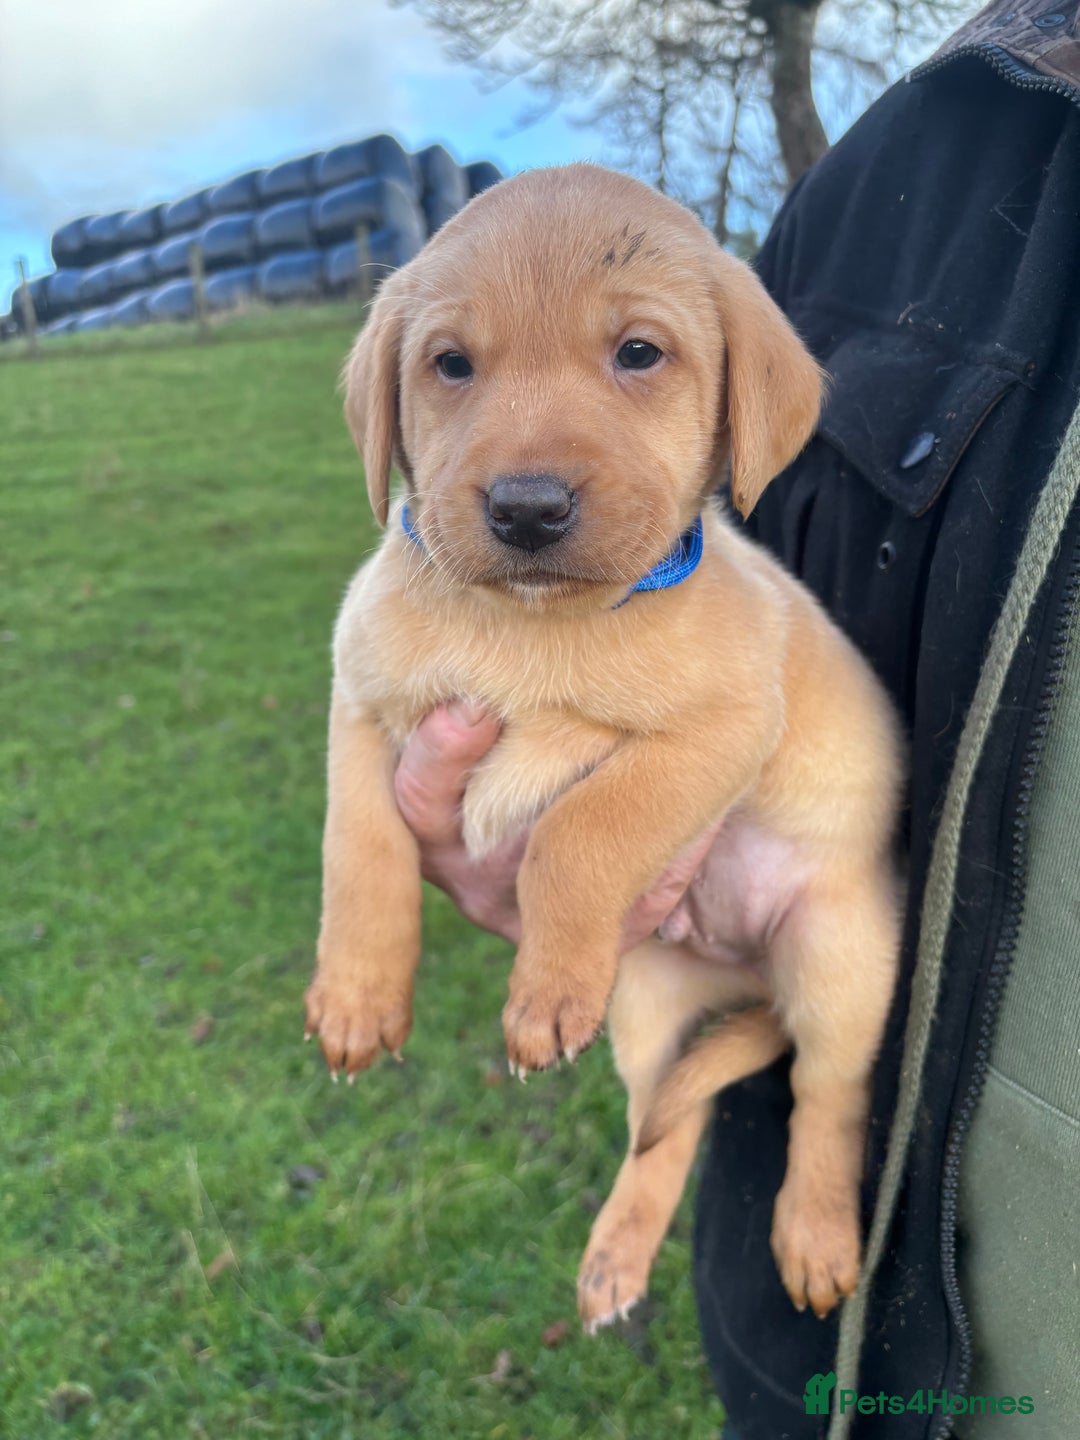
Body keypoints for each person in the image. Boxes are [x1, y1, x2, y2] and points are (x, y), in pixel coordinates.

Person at [390, 3, 1080, 1434]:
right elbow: (739, 596)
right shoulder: (935, 147)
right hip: (835, 1357)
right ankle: (659, 1180)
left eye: (635, 355)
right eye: (456, 368)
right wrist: (546, 822)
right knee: (686, 1045)